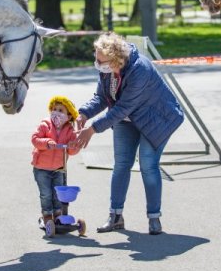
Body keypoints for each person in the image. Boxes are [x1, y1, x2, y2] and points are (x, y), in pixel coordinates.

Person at [73, 32, 184, 235]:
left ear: (116, 59)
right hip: (126, 119)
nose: (98, 64)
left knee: (148, 165)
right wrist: (83, 114)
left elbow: (123, 107)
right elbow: (102, 97)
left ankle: (154, 218)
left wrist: (92, 129)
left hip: (156, 118)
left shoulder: (139, 68)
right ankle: (115, 217)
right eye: (96, 58)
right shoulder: (107, 69)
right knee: (121, 165)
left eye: (101, 61)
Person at [31, 96, 80, 224]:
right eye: (54, 109)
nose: (56, 112)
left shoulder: (70, 130)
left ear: (69, 116)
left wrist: (73, 146)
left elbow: (72, 151)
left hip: (59, 168)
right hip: (42, 167)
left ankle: (58, 212)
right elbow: (35, 139)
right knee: (46, 193)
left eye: (61, 110)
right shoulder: (45, 125)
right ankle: (47, 213)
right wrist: (47, 142)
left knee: (58, 192)